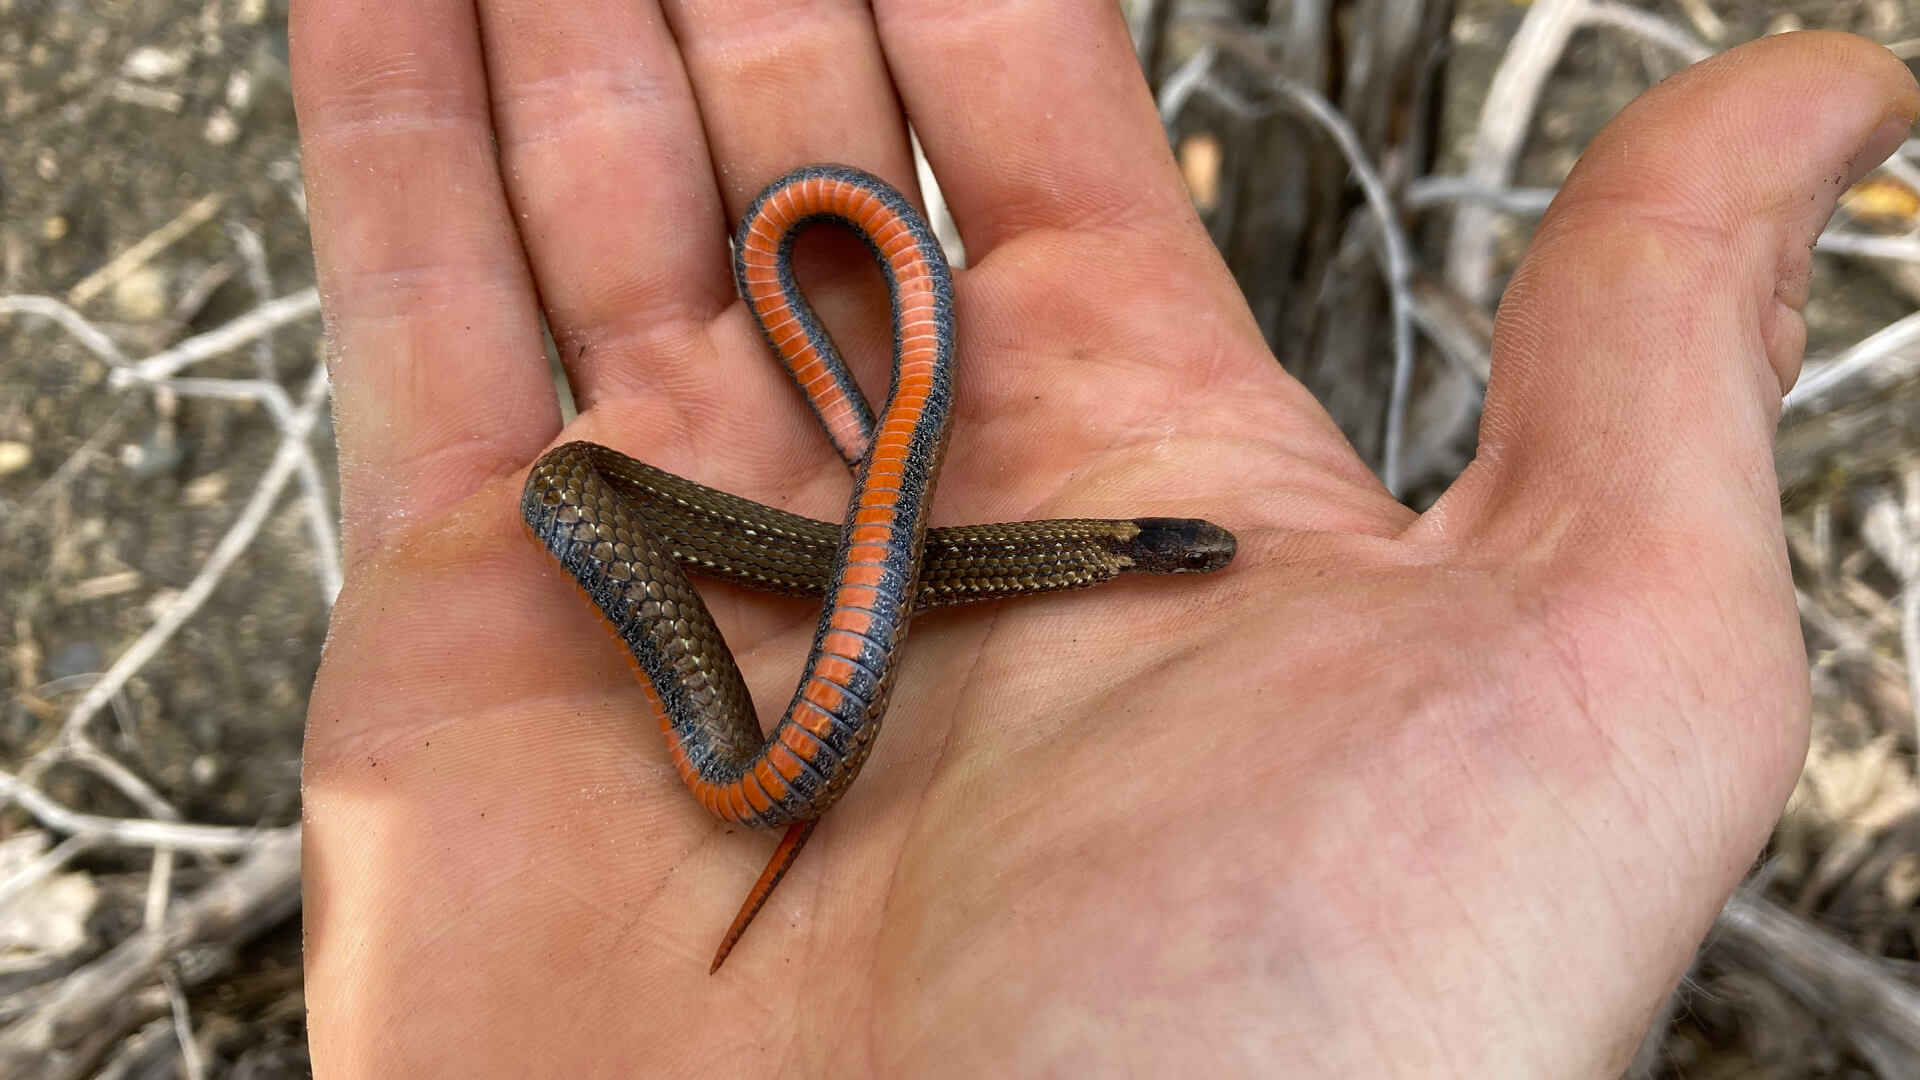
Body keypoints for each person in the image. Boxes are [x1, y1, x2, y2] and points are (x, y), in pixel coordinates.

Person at [289, 1, 1917, 1073]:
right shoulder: (978, 520)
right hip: (761, 641)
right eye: (1177, 553)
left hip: (778, 728)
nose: (1193, 558)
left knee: (670, 526)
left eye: (1174, 555)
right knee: (590, 496)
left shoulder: (1000, 558)